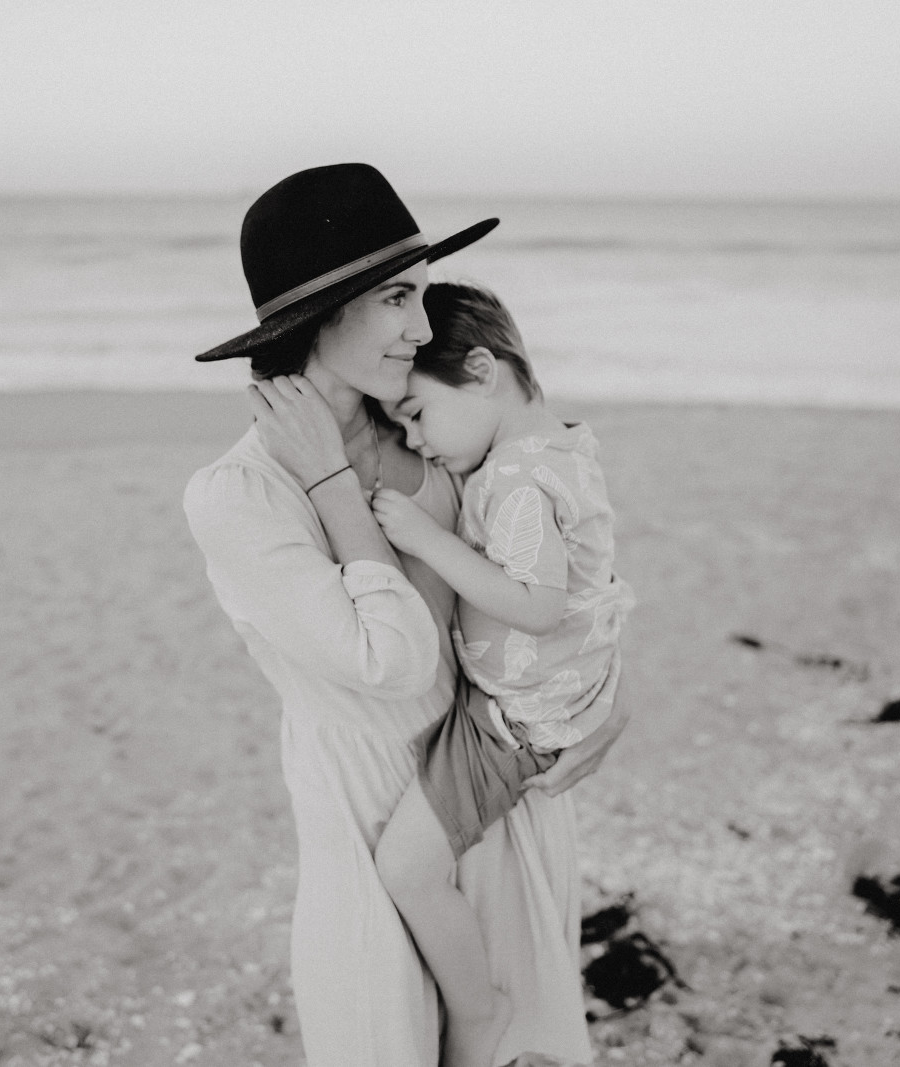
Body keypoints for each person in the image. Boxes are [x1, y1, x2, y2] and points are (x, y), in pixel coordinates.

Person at [183, 164, 628, 1067]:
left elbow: (557, 557)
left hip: (496, 784)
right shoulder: (238, 495)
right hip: (369, 813)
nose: (423, 327)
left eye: (421, 294)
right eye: (398, 297)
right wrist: (329, 481)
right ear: (321, 315)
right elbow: (393, 661)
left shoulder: (430, 427)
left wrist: (610, 694)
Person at [368, 282, 632, 1067]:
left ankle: (480, 1011)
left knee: (406, 868)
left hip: (513, 725)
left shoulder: (517, 478)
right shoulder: (563, 450)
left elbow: (538, 606)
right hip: (549, 700)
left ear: (481, 371)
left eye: (417, 413)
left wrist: (425, 539)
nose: (416, 440)